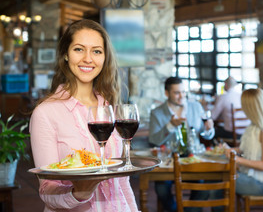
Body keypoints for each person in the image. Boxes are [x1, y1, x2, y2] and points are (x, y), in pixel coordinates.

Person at [29, 19, 139, 212]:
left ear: (105, 57)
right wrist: (79, 194)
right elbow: (47, 190)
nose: (88, 59)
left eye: (96, 51)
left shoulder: (110, 108)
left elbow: (122, 183)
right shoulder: (45, 113)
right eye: (79, 49)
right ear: (65, 54)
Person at [149, 76, 212, 212]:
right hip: (168, 163)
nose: (181, 96)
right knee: (161, 189)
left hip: (193, 160)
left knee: (203, 188)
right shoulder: (157, 113)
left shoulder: (196, 107)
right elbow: (154, 140)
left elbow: (206, 134)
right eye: (177, 93)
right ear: (167, 93)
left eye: (183, 92)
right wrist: (170, 125)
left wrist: (209, 129)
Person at [227, 88, 263, 195]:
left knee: (223, 181)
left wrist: (237, 159)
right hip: (252, 178)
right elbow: (250, 149)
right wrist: (232, 150)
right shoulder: (253, 126)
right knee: (220, 178)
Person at [211, 76, 245, 140]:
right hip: (245, 133)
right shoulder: (242, 96)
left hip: (231, 134)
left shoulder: (223, 97)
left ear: (225, 84)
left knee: (211, 132)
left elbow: (213, 116)